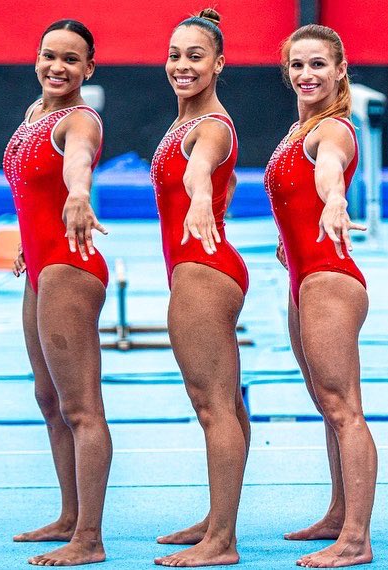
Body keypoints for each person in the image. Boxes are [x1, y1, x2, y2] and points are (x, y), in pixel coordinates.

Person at [265, 24, 377, 569]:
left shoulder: (331, 131)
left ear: (340, 70)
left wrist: (334, 201)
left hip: (331, 277)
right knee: (325, 406)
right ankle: (338, 513)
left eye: (317, 65)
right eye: (297, 65)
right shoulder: (298, 128)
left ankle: (356, 539)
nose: (306, 75)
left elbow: (330, 172)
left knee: (344, 408)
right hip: (304, 276)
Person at [5, 19, 112, 567]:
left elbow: (77, 162)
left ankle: (89, 538)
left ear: (87, 69)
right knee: (49, 401)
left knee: (81, 407)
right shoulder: (34, 115)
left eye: (71, 59)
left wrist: (78, 194)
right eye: (49, 55)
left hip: (71, 266)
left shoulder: (80, 121)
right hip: (41, 266)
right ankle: (69, 515)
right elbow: (30, 190)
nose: (57, 67)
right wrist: (29, 242)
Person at [150, 8, 250, 567]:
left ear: (219, 63)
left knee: (212, 406)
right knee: (225, 403)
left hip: (202, 268)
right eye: (175, 54)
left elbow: (200, 167)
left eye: (195, 56)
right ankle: (217, 520)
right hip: (202, 265)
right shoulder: (185, 120)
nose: (182, 65)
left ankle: (223, 541)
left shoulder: (211, 126)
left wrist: (203, 194)